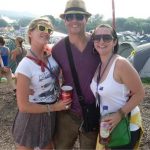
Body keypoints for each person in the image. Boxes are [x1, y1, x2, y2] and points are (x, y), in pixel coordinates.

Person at [12, 17, 72, 150]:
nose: (47, 32)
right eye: (41, 28)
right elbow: (23, 106)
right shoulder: (25, 66)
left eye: (49, 30)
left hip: (49, 116)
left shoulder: (51, 55)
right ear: (30, 33)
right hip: (31, 117)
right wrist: (55, 107)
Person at [52, 0, 100, 149]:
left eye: (79, 17)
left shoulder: (99, 43)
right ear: (64, 20)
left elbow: (115, 67)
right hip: (67, 113)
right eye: (69, 16)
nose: (74, 20)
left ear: (86, 19)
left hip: (94, 112)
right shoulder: (57, 49)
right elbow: (50, 76)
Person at [90, 24, 145, 149]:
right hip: (108, 125)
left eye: (107, 38)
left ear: (114, 41)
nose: (101, 41)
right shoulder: (100, 65)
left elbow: (140, 93)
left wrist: (119, 114)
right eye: (97, 38)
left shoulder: (121, 64)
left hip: (125, 126)